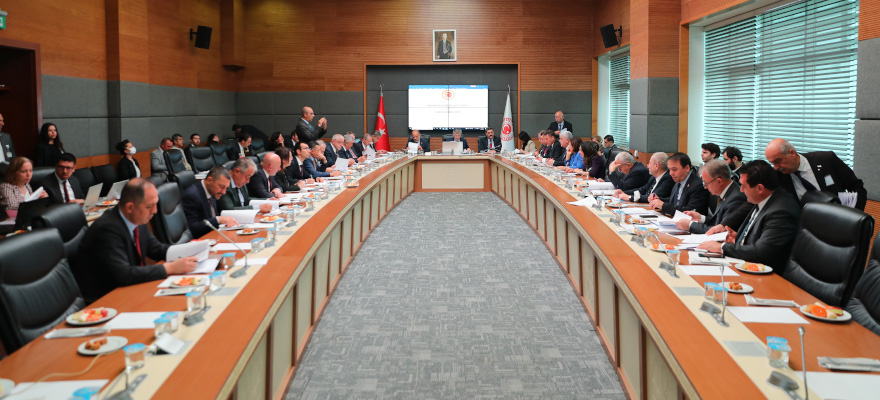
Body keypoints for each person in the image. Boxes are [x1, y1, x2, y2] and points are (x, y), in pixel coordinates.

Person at [75, 178, 199, 302]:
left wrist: (193, 250)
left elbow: (156, 249)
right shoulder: (107, 229)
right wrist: (170, 268)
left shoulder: (137, 217)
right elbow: (123, 274)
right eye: (149, 206)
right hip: (107, 298)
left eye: (156, 204)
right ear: (130, 207)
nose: (155, 211)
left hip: (132, 288)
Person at [699, 160, 802, 272]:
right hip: (747, 263)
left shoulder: (781, 212)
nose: (741, 190)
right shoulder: (763, 198)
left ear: (760, 188)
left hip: (765, 273)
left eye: (744, 186)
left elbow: (761, 253)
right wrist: (738, 239)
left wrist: (721, 248)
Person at [764, 138, 866, 210]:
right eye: (772, 163)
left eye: (778, 161)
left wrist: (853, 218)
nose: (775, 167)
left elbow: (857, 187)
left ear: (792, 153)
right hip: (807, 229)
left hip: (839, 222)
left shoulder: (827, 160)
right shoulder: (778, 177)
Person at [675, 159, 747, 234]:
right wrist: (701, 218)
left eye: (706, 183)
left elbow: (720, 231)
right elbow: (719, 222)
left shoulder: (736, 199)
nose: (705, 187)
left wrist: (690, 225)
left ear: (719, 181)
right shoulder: (727, 191)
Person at [182, 166, 239, 238]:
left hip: (214, 235)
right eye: (222, 187)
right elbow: (192, 228)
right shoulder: (192, 196)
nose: (224, 192)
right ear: (209, 180)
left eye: (226, 188)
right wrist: (218, 220)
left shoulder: (212, 190)